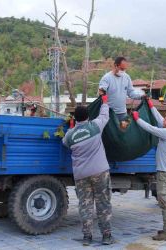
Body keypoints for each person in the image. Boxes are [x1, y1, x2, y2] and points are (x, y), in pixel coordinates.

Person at [62, 95, 115, 246]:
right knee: (103, 203)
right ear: (88, 116)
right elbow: (105, 114)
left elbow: (64, 143)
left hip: (81, 175)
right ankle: (106, 236)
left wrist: (72, 127)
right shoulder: (95, 126)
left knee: (85, 206)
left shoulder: (70, 135)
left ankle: (87, 237)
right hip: (100, 172)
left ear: (75, 119)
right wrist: (104, 101)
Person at [132, 99, 166, 241]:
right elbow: (159, 120)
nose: (163, 120)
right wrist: (152, 106)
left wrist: (137, 119)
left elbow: (151, 128)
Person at [98, 56, 144, 129]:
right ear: (115, 65)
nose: (123, 71)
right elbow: (101, 92)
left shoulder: (127, 77)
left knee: (124, 133)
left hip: (123, 113)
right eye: (122, 69)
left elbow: (131, 93)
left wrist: (142, 96)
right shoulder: (106, 78)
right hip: (110, 114)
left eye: (125, 69)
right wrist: (102, 91)